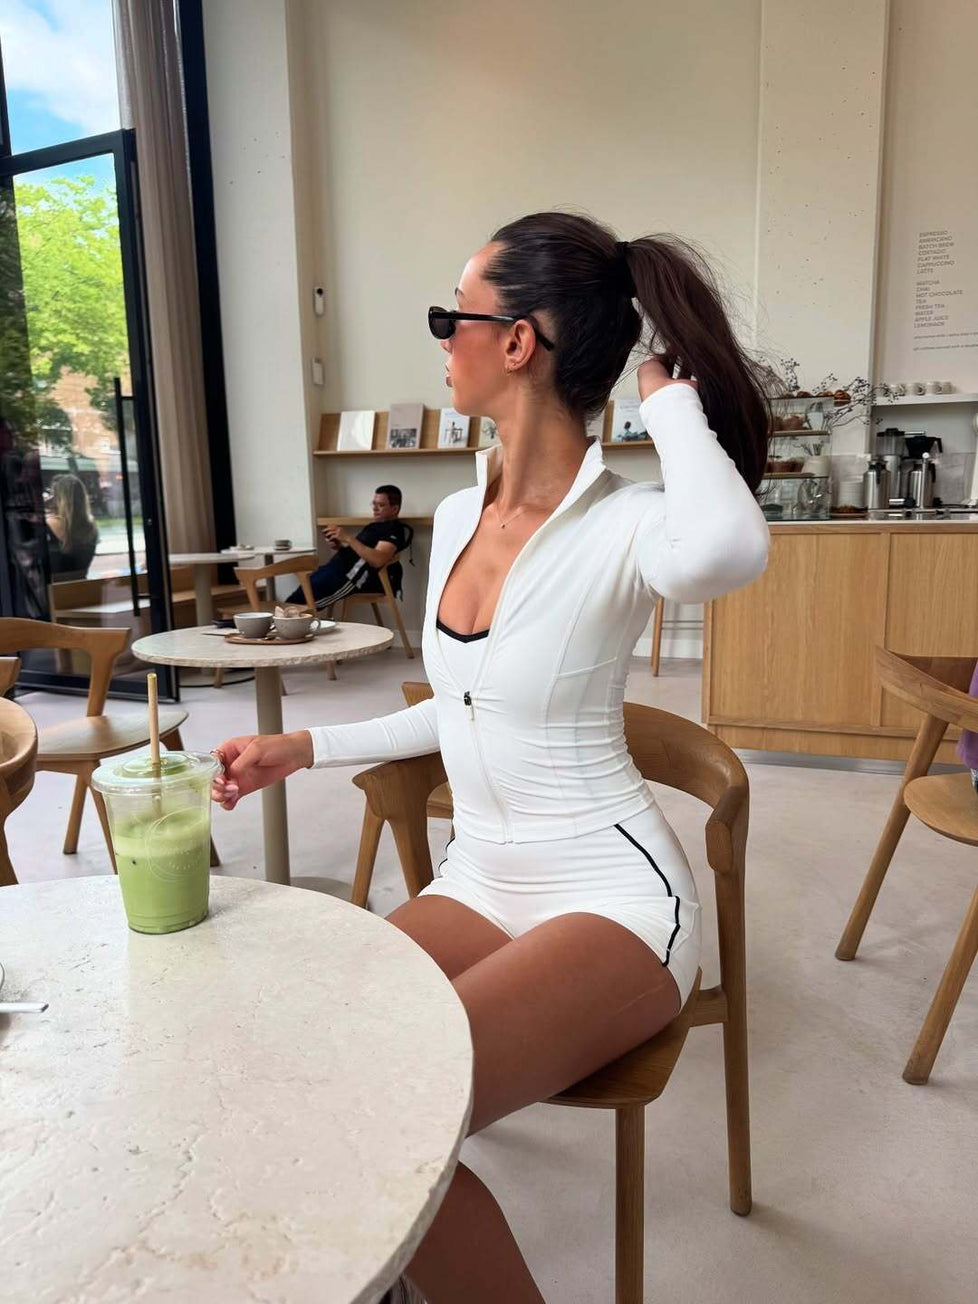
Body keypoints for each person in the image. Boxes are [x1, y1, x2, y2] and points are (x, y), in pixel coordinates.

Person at [212, 213, 771, 1304]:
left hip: (614, 898)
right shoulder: (463, 507)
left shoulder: (631, 522)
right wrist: (305, 744)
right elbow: (463, 708)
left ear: (517, 341)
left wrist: (664, 399)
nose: (440, 341)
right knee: (297, 1062)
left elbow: (729, 546)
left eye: (450, 317)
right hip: (481, 879)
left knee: (385, 1121)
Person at [286, 483, 413, 611]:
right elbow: (358, 554)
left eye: (380, 505)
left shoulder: (395, 530)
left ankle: (294, 621)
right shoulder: (373, 526)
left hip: (350, 578)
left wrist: (348, 538)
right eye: (373, 504)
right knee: (295, 599)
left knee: (302, 607)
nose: (374, 508)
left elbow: (377, 560)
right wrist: (339, 546)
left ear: (394, 509)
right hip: (336, 568)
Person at [45, 472, 99, 580]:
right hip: (82, 585)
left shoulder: (50, 523)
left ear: (56, 498)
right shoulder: (91, 528)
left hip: (56, 587)